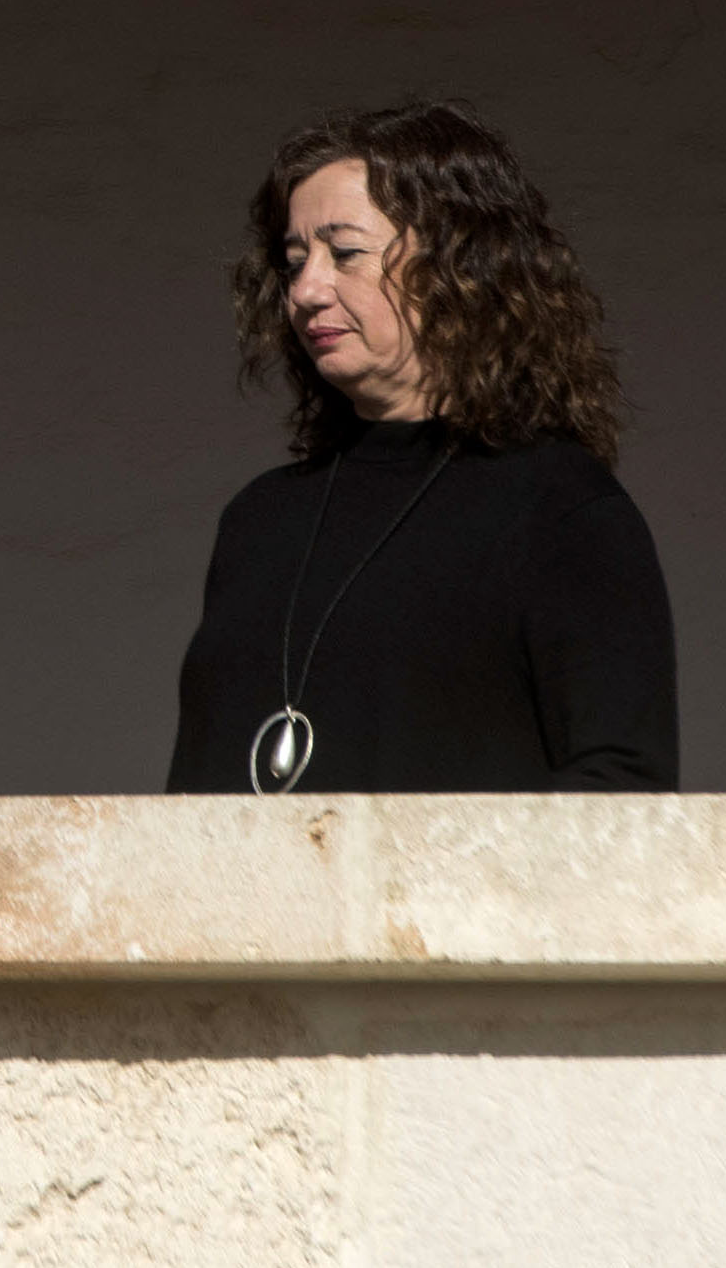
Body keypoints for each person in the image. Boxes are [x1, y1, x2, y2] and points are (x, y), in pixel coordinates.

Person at [164, 101, 677, 795]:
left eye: (344, 253)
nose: (307, 290)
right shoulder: (259, 520)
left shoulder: (556, 507)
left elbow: (619, 789)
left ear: (456, 267)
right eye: (294, 261)